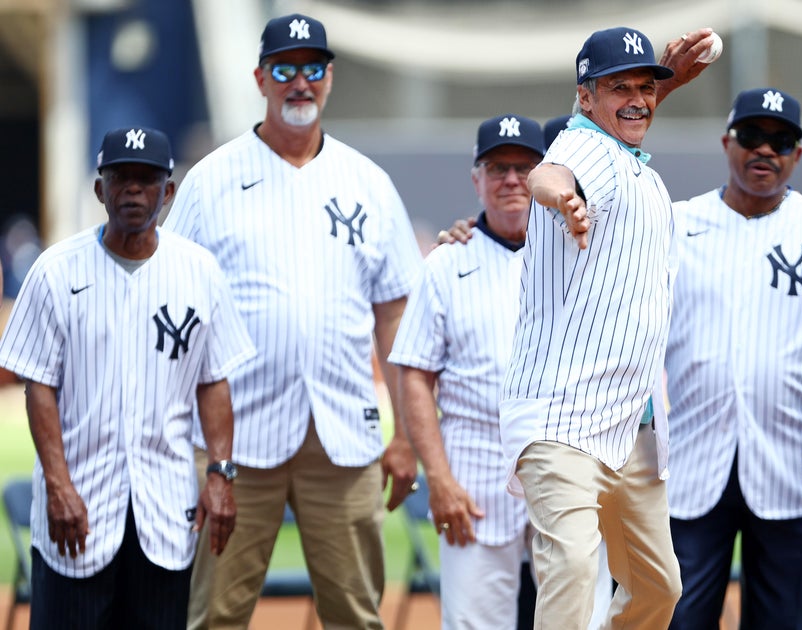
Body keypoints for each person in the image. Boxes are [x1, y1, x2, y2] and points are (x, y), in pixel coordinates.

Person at [163, 13, 425, 629]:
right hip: (238, 441)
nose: (299, 82)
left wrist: (407, 436)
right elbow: (173, 304)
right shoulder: (210, 182)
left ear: (329, 78)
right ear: (261, 78)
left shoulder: (368, 182)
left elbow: (395, 317)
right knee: (215, 616)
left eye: (313, 68)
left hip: (342, 434)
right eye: (285, 69)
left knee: (357, 615)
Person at [500, 26, 713, 629]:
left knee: (658, 588)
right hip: (562, 420)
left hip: (628, 426)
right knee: (570, 565)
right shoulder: (584, 149)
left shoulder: (630, 162)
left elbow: (616, 129)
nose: (638, 98)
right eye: (619, 86)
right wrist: (560, 197)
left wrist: (651, 92)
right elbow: (555, 171)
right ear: (583, 96)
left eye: (646, 87)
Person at [0, 127, 254, 629]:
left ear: (169, 191)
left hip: (164, 509)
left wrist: (221, 474)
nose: (134, 191)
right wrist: (57, 486)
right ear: (101, 190)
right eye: (121, 178)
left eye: (147, 179)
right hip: (77, 510)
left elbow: (214, 380)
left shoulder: (199, 272)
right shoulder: (54, 271)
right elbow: (38, 386)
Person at [664, 87, 802, 628]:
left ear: (797, 155)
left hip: (794, 468)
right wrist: (476, 234)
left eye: (781, 140)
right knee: (674, 618)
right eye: (752, 136)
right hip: (691, 465)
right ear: (727, 142)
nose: (766, 149)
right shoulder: (672, 224)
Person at [390, 114, 612, 629]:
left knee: (584, 619)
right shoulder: (446, 264)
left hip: (568, 468)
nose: (511, 179)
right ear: (477, 178)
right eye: (497, 167)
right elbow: (416, 376)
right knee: (475, 624)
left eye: (523, 167)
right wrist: (439, 481)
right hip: (476, 476)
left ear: (545, 175)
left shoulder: (579, 250)